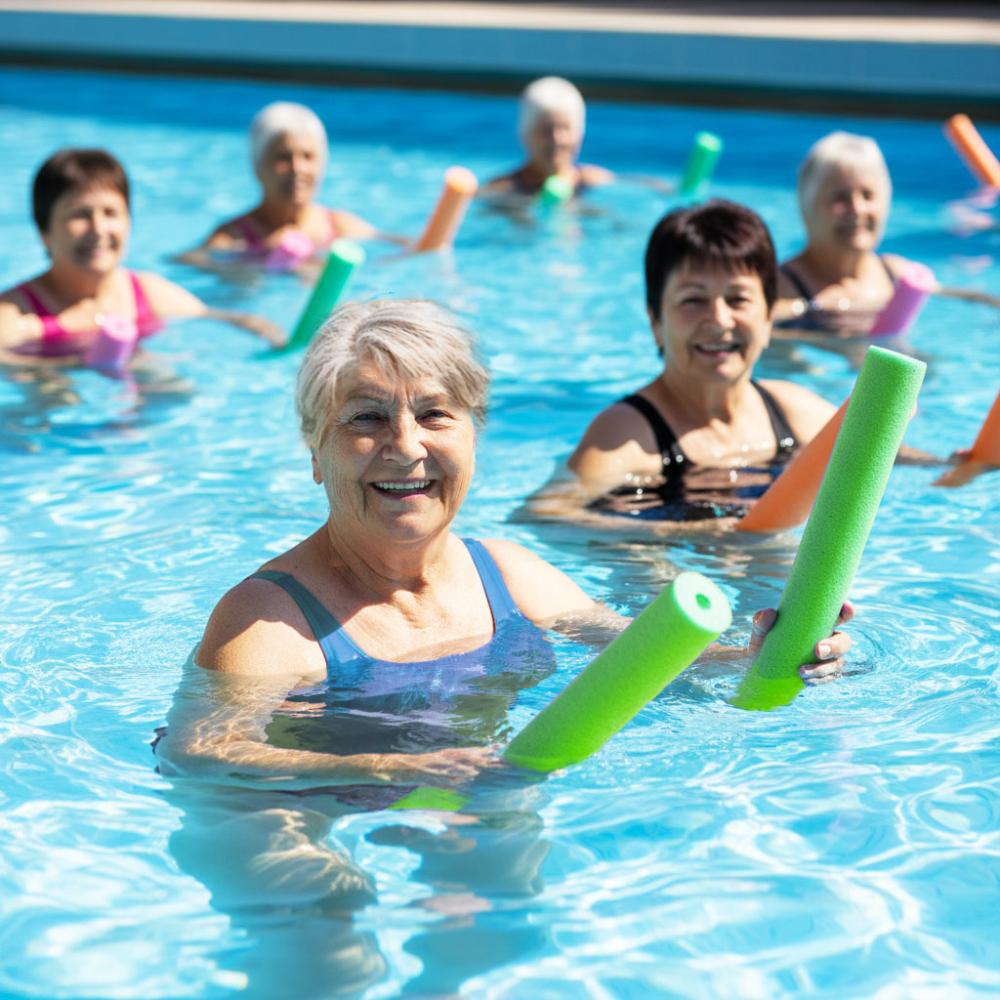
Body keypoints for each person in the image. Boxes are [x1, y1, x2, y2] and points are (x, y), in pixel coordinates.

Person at [154, 298, 850, 993]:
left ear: (473, 436)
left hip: (461, 783)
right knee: (329, 938)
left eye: (434, 414)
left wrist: (757, 656)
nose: (406, 445)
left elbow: (645, 658)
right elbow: (200, 754)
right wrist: (394, 769)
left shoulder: (509, 576)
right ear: (316, 453)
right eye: (365, 418)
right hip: (281, 807)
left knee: (499, 913)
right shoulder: (270, 620)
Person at [537, 200, 838, 524]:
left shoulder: (792, 413)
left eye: (738, 299)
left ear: (768, 319)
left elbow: (884, 455)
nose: (720, 320)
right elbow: (545, 516)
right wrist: (692, 533)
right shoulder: (631, 434)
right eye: (693, 300)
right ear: (656, 322)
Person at [0, 148, 284, 367]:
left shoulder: (144, 293)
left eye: (110, 213)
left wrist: (268, 333)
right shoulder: (18, 316)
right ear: (44, 231)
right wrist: (65, 365)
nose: (98, 229)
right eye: (80, 215)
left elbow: (215, 317)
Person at [773, 131, 1000, 337]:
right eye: (839, 198)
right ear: (806, 207)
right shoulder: (785, 288)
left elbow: (967, 298)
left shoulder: (895, 274)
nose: (857, 209)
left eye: (868, 195)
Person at [190, 101, 381, 268]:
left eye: (308, 156)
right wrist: (259, 259)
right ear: (258, 166)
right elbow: (188, 261)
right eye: (283, 158)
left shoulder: (340, 226)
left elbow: (399, 251)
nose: (297, 168)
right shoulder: (234, 237)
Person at [483, 77, 612, 198]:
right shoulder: (500, 190)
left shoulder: (596, 181)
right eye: (546, 130)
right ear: (525, 135)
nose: (557, 139)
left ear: (579, 134)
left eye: (565, 128)